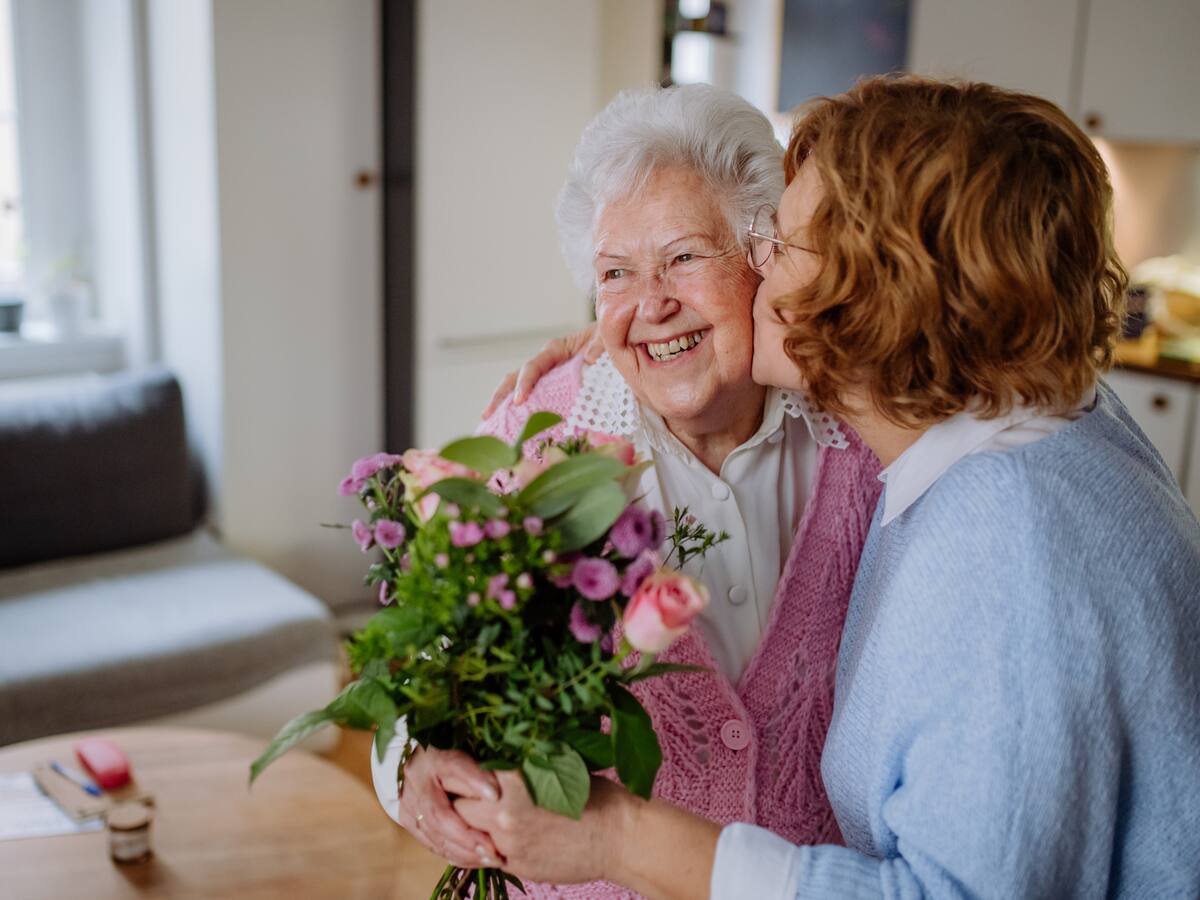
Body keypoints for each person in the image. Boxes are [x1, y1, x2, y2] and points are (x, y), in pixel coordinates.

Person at [457, 76, 1200, 899]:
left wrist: (621, 836)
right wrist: (626, 322)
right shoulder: (1057, 417)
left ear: (886, 290)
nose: (761, 269)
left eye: (778, 244)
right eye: (616, 273)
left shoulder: (1007, 549)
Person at [370, 84, 883, 899]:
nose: (651, 305)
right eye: (616, 273)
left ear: (767, 254)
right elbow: (420, 677)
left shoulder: (863, 426)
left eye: (683, 257)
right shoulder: (536, 432)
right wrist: (411, 768)